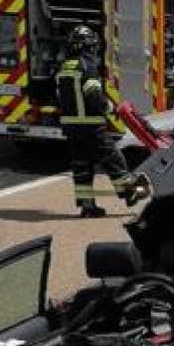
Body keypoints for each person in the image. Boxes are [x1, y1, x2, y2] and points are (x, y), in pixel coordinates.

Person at [55, 25, 135, 218]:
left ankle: (88, 207)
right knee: (114, 160)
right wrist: (110, 109)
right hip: (91, 127)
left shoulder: (64, 68)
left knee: (82, 167)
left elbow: (59, 96)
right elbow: (93, 94)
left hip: (71, 129)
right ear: (88, 46)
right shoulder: (87, 66)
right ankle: (129, 193)